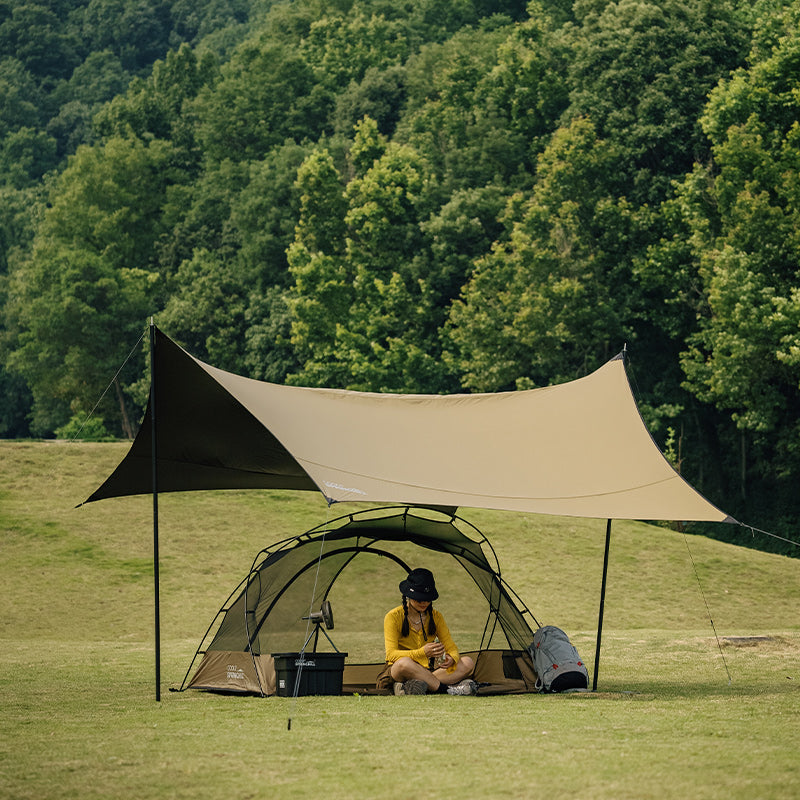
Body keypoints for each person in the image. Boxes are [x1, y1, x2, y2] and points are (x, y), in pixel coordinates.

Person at [379, 567, 477, 696]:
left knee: (467, 662)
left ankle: (416, 686)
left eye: (427, 598)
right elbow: (391, 655)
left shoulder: (436, 617)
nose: (424, 602)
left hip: (430, 670)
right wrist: (422, 652)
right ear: (408, 596)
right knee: (404, 663)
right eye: (419, 598)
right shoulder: (393, 616)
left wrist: (451, 658)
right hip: (399, 670)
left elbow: (451, 647)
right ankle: (447, 689)